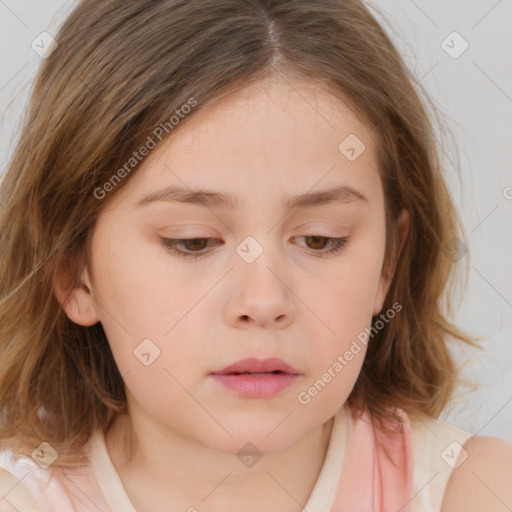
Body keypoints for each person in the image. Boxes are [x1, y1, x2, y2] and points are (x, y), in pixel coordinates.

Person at [0, 0, 511, 511]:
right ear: (74, 274)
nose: (264, 301)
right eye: (193, 241)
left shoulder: (476, 491)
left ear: (387, 265)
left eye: (320, 239)